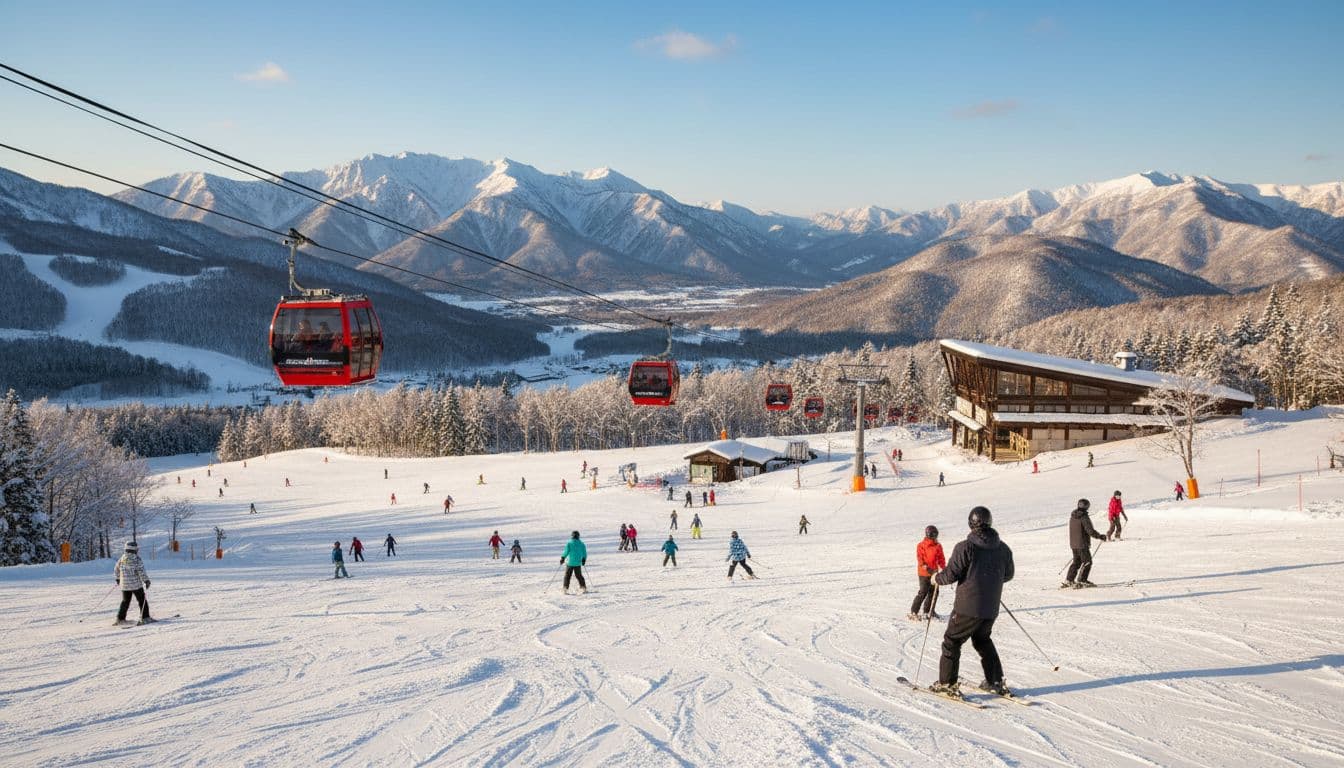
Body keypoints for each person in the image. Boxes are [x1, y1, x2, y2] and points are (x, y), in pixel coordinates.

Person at [931, 507, 1014, 698]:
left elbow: (951, 574)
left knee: (952, 641)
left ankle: (947, 684)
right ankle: (995, 680)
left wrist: (937, 578)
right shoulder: (1003, 548)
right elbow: (1008, 575)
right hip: (990, 607)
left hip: (967, 607)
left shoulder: (966, 547)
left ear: (971, 523)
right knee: (982, 640)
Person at [1065, 499, 1107, 588]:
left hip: (1074, 544)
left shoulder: (1073, 516)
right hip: (1082, 544)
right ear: (1087, 506)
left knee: (1077, 562)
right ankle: (1082, 580)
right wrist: (1100, 536)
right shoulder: (1083, 517)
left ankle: (1069, 579)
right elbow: (1090, 531)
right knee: (1087, 561)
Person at [908, 525, 946, 621]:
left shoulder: (938, 546)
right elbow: (920, 559)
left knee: (934, 593)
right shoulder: (921, 545)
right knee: (923, 592)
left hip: (934, 573)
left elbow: (941, 558)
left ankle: (928, 611)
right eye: (934, 535)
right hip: (924, 573)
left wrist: (944, 568)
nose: (936, 537)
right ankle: (914, 611)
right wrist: (925, 567)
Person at [113, 541, 152, 625]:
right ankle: (145, 617)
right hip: (135, 585)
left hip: (125, 585)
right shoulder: (136, 559)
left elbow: (116, 569)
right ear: (135, 549)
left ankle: (120, 618)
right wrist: (146, 581)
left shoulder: (122, 558)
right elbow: (141, 571)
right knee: (142, 600)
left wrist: (118, 578)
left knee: (125, 601)